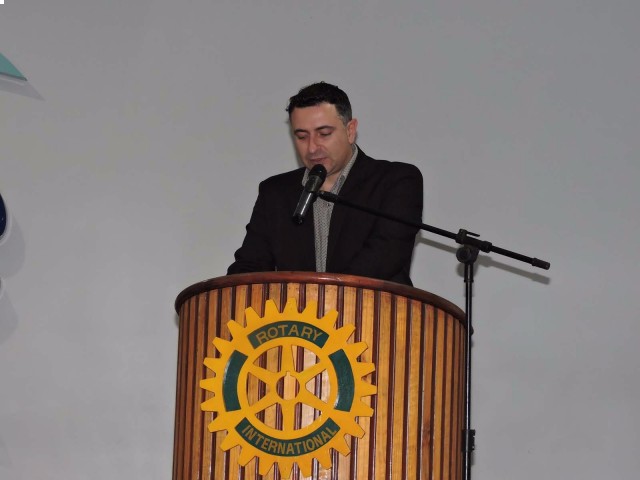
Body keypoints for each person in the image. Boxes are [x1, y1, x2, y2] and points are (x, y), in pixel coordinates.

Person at [227, 82, 423, 285]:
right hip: (298, 307)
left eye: (324, 134)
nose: (312, 148)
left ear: (350, 130)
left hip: (373, 305)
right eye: (302, 136)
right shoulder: (275, 193)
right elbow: (249, 265)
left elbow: (383, 258)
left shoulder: (396, 181)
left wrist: (318, 298)